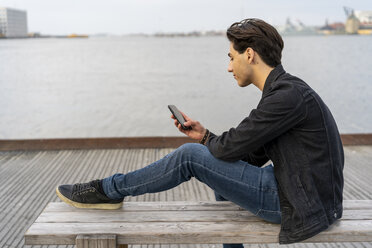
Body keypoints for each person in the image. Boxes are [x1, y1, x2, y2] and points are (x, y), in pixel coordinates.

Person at [56, 18, 344, 245]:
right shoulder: (286, 92)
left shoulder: (285, 97)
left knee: (189, 157)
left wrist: (206, 143)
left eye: (231, 57)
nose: (229, 67)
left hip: (300, 203)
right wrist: (206, 137)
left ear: (250, 54)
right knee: (219, 170)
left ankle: (107, 190)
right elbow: (248, 155)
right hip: (307, 195)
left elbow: (230, 148)